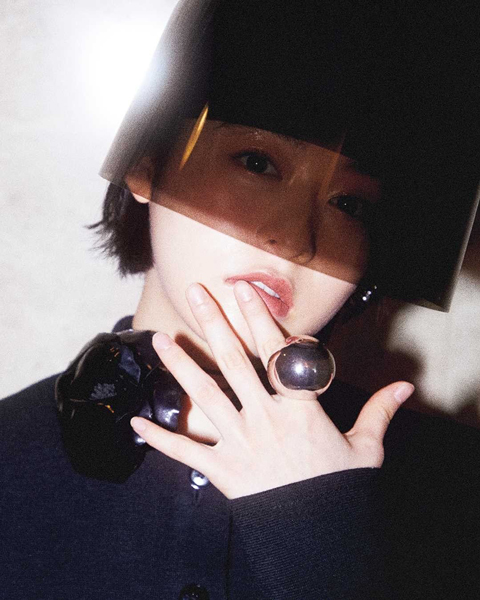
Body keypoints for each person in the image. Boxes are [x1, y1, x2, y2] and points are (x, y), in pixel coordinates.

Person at [1, 1, 479, 599]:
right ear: (147, 166)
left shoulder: (454, 492)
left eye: (350, 204)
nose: (295, 240)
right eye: (257, 162)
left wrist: (321, 542)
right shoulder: (10, 461)